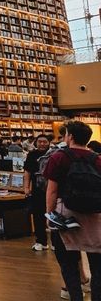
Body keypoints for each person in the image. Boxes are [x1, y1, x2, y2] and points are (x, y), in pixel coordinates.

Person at [44, 121, 101, 301]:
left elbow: (52, 190)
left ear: (70, 137)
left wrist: (49, 214)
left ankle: (76, 296)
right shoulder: (97, 159)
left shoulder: (58, 157)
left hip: (65, 214)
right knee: (97, 264)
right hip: (94, 215)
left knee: (68, 263)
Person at [23, 133, 51, 251]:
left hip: (52, 189)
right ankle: (41, 241)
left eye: (45, 141)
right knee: (38, 215)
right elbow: (27, 172)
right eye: (40, 142)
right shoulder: (32, 154)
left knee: (53, 215)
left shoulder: (53, 154)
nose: (42, 144)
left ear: (49, 143)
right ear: (36, 143)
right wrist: (26, 187)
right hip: (37, 189)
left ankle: (55, 243)